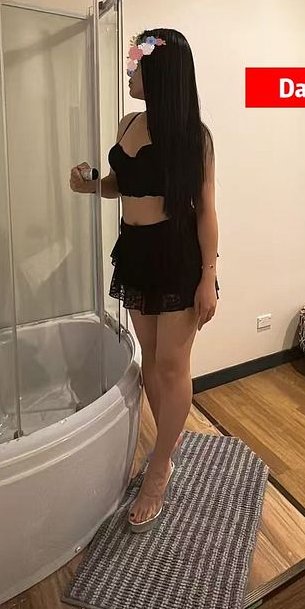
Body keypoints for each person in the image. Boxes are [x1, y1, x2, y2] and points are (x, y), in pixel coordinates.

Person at [70, 28, 219, 533]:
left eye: (136, 63)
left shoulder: (195, 138)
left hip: (177, 255)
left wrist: (209, 277)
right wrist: (92, 184)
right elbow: (121, 185)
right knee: (151, 361)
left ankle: (159, 468)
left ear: (161, 72)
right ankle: (167, 449)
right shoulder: (128, 122)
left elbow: (206, 212)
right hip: (135, 251)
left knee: (172, 366)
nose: (130, 71)